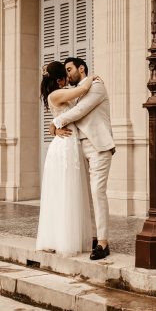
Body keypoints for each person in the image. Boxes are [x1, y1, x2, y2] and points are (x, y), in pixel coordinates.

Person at [50, 57, 115, 261]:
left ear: (81, 68)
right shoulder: (77, 91)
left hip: (98, 146)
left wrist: (55, 123)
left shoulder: (96, 85)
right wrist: (56, 128)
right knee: (85, 195)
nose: (67, 74)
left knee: (97, 192)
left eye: (69, 69)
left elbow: (80, 111)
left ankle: (103, 242)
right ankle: (94, 236)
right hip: (77, 147)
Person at [36, 60, 95, 256]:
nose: (69, 77)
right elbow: (81, 90)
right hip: (64, 147)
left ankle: (68, 236)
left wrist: (53, 126)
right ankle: (62, 240)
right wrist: (92, 77)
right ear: (60, 79)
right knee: (64, 191)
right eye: (66, 74)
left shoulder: (58, 92)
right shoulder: (56, 94)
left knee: (70, 191)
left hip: (70, 143)